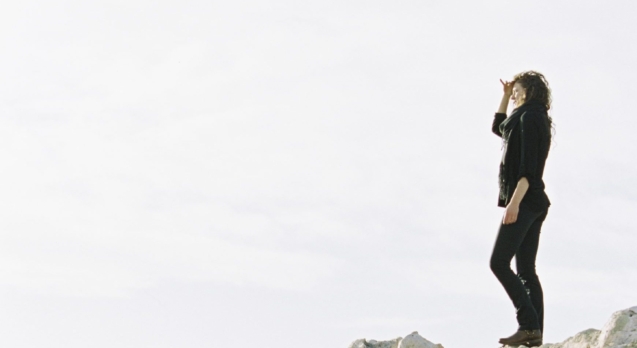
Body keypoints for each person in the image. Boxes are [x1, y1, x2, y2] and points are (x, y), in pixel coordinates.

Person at [489, 71, 554, 347]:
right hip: (536, 202)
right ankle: (534, 333)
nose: (513, 94)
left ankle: (528, 325)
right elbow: (499, 127)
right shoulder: (529, 117)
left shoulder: (529, 118)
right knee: (526, 269)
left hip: (526, 200)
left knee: (499, 263)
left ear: (527, 91)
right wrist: (504, 97)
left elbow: (529, 168)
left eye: (516, 91)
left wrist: (514, 203)